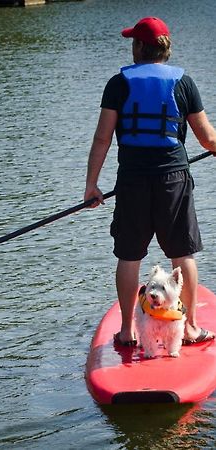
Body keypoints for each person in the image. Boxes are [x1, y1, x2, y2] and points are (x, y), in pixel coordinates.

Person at [84, 17, 216, 346]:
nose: (132, 47)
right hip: (173, 179)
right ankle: (190, 328)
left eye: (133, 42)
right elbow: (207, 138)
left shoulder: (118, 84)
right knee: (183, 254)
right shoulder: (183, 83)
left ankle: (128, 330)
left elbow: (102, 139)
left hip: (132, 182)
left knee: (129, 256)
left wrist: (92, 185)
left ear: (141, 47)